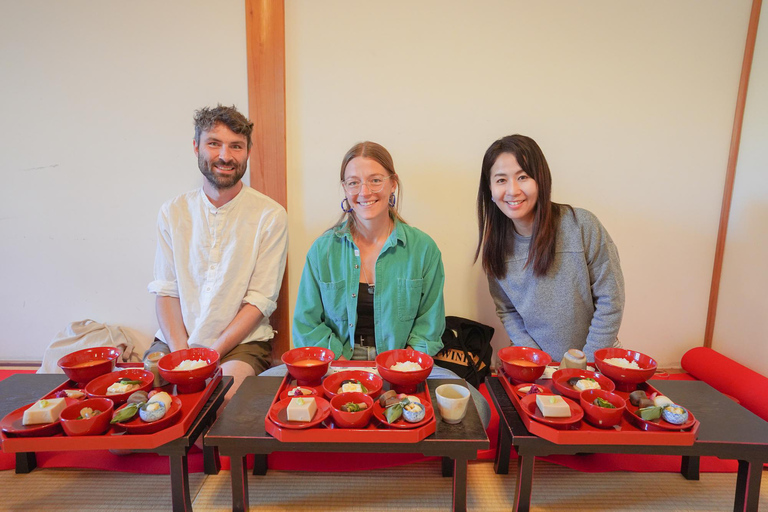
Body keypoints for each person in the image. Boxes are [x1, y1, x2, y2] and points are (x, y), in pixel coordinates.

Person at [147, 105, 288, 400]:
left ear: (247, 151)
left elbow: (260, 301)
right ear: (197, 147)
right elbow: (166, 292)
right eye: (214, 143)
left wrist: (209, 356)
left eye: (236, 146)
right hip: (176, 342)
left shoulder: (270, 215)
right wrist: (181, 356)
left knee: (215, 404)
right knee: (137, 417)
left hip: (240, 345)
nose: (225, 156)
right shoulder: (173, 212)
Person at [476, 134, 625, 361]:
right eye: (501, 180)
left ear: (541, 180)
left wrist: (585, 364)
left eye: (523, 176)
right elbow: (508, 311)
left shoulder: (581, 225)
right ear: (490, 189)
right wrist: (539, 362)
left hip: (596, 363)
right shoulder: (495, 247)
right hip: (533, 366)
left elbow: (610, 300)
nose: (513, 190)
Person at [292, 141, 445, 360]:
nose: (364, 192)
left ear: (393, 184)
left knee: (470, 395)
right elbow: (307, 325)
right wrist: (341, 367)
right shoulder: (322, 251)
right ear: (345, 188)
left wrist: (402, 366)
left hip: (403, 365)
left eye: (375, 180)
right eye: (354, 183)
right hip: (336, 362)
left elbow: (429, 326)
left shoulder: (423, 249)